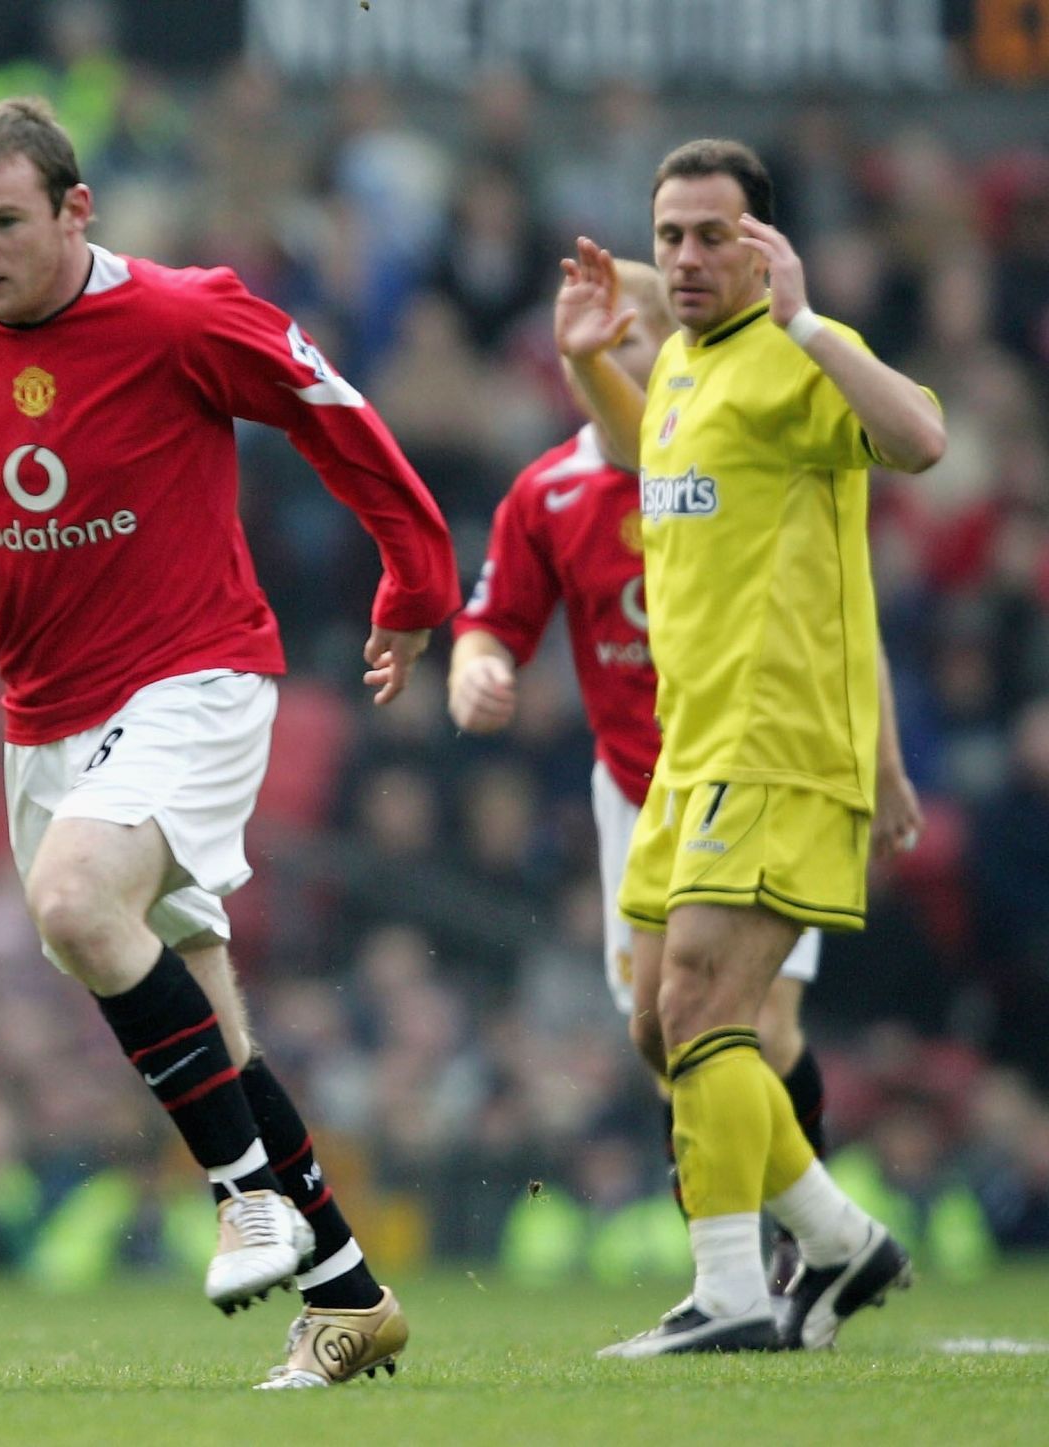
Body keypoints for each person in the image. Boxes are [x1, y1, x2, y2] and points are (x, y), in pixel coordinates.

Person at [0, 96, 458, 1388]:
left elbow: (333, 408)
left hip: (200, 675)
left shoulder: (181, 314)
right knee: (198, 997)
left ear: (76, 210)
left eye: (5, 223)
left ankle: (242, 1191)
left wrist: (416, 578)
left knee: (78, 898)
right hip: (47, 719)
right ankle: (348, 1293)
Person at [448, 259, 927, 1298]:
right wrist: (477, 669)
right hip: (638, 784)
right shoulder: (556, 488)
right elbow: (491, 621)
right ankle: (831, 1237)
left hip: (757, 768)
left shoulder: (740, 453)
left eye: (640, 337)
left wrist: (884, 763)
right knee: (661, 1030)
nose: (625, 358)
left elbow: (849, 612)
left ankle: (762, 1267)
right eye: (606, 341)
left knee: (754, 1023)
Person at [556, 138, 945, 1356]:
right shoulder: (678, 365)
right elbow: (652, 462)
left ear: (764, 245)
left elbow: (923, 437)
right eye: (667, 234)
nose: (681, 258)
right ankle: (837, 1237)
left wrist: (816, 319)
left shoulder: (792, 360)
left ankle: (727, 1290)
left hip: (777, 745)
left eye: (710, 235)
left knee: (707, 1007)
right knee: (653, 1025)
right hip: (691, 749)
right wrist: (587, 364)